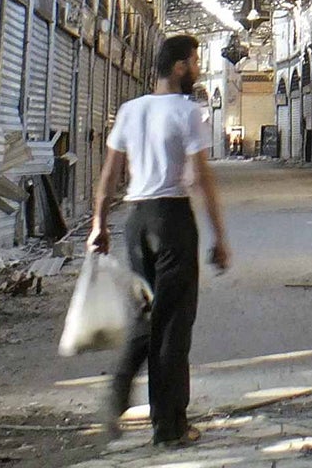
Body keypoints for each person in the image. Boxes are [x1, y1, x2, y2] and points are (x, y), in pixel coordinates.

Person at [90, 34, 231, 447]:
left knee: (148, 314)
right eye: (195, 61)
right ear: (179, 67)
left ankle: (119, 393)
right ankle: (169, 427)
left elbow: (109, 173)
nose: (199, 69)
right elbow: (201, 178)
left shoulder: (130, 111)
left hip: (137, 222)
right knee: (173, 326)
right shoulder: (189, 113)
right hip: (172, 220)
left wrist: (100, 223)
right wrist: (219, 236)